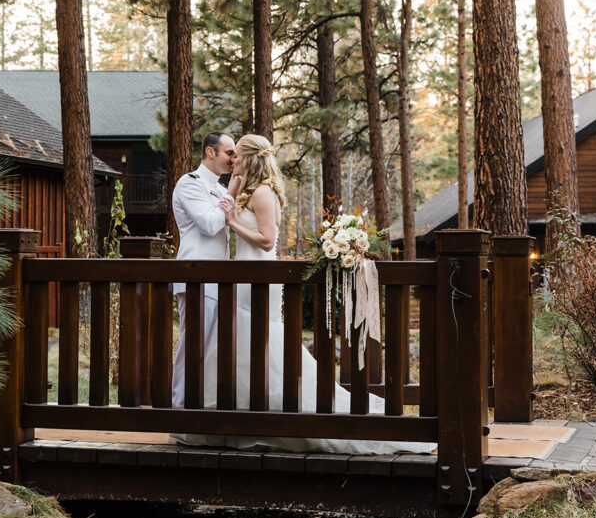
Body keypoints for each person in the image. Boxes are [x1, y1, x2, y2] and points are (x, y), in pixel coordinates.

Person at [175, 134, 435, 455]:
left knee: (259, 341)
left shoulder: (263, 193)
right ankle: (237, 414)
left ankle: (279, 411)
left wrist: (231, 221)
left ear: (251, 159)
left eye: (238, 155)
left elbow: (268, 241)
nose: (234, 161)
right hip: (241, 276)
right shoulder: (243, 190)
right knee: (237, 343)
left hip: (258, 275)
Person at [170, 131, 237, 408]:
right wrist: (232, 192)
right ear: (211, 152)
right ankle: (179, 406)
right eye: (229, 152)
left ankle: (201, 405)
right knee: (193, 346)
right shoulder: (190, 184)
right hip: (196, 276)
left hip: (219, 280)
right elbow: (209, 225)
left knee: (212, 349)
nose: (234, 158)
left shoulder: (222, 191)